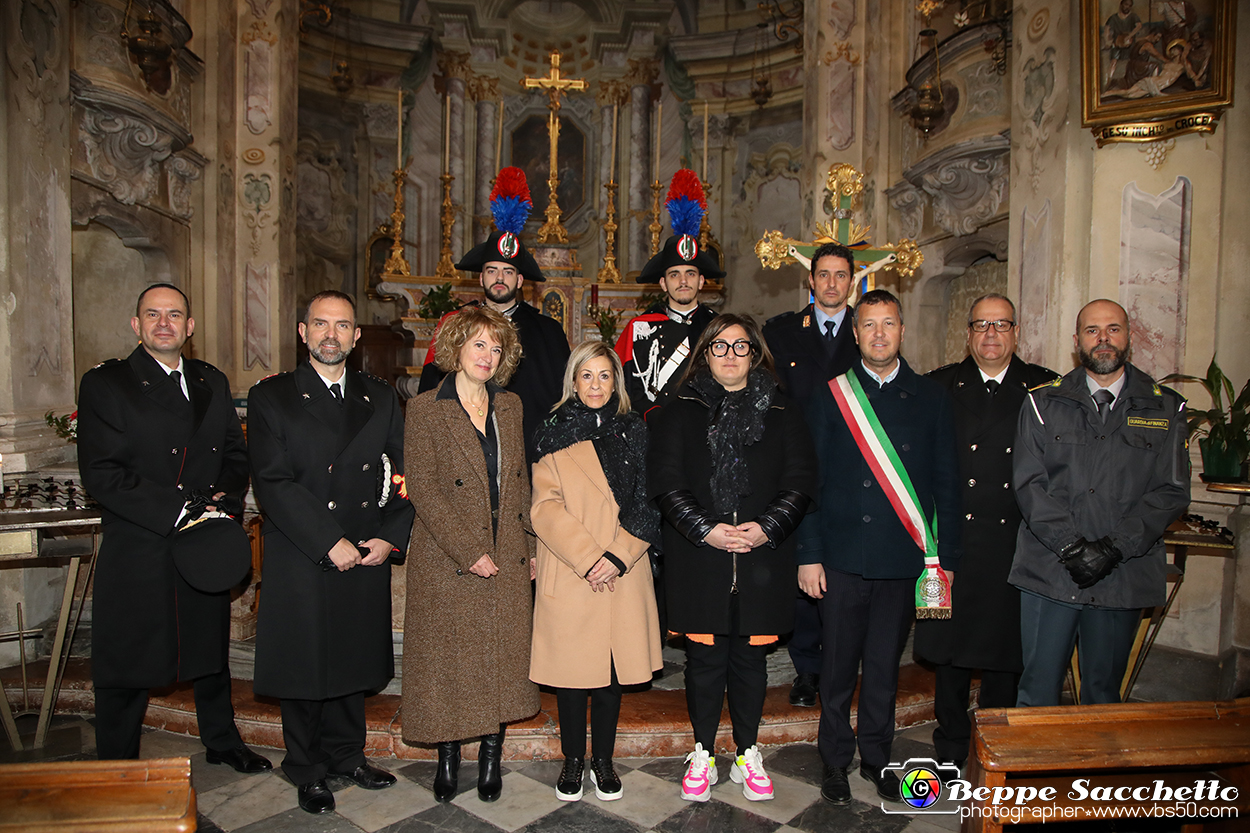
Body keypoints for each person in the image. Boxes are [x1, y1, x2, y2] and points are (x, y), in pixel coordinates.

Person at [78, 284, 269, 770]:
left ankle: (222, 741)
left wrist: (220, 507)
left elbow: (233, 454)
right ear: (136, 325)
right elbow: (102, 474)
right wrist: (180, 508)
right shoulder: (108, 384)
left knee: (209, 651)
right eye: (153, 314)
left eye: (175, 315)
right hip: (142, 541)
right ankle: (116, 764)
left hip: (201, 539)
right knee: (128, 660)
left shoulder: (211, 381)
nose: (164, 323)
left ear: (189, 327)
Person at [248, 290, 414, 814]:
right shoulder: (272, 396)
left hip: (366, 548)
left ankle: (347, 756)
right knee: (305, 664)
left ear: (356, 336)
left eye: (342, 326)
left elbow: (406, 475)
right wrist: (328, 541)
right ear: (303, 332)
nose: (331, 335)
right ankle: (306, 766)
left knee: (351, 659)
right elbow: (273, 483)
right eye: (320, 324)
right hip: (304, 548)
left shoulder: (381, 397)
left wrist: (390, 536)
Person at [795, 289, 961, 805]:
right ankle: (835, 761)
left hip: (903, 559)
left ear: (903, 331)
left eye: (888, 324)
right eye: (869, 325)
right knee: (839, 667)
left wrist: (945, 561)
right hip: (842, 557)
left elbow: (947, 484)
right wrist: (808, 554)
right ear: (855, 332)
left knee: (885, 668)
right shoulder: (830, 395)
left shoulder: (931, 397)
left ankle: (876, 757)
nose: (879, 334)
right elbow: (809, 483)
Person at [648, 314, 816, 804]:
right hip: (701, 559)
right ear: (704, 354)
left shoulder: (784, 409)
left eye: (740, 347)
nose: (729, 356)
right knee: (703, 664)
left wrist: (768, 527)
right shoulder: (677, 411)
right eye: (718, 347)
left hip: (763, 561)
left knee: (750, 664)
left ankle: (746, 752)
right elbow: (665, 481)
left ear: (755, 354)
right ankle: (702, 751)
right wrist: (706, 529)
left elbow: (801, 478)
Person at [1011, 299, 1189, 707]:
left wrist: (1113, 548)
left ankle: (1090, 774)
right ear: (1077, 342)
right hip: (1050, 573)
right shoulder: (1043, 403)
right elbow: (1029, 484)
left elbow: (1171, 491)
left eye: (1113, 329)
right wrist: (1071, 546)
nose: (1103, 339)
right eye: (1092, 331)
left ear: (1129, 336)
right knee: (1037, 692)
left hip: (1121, 576)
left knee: (1102, 696)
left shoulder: (1165, 406)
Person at [402, 305, 541, 804]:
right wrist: (469, 550)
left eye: (497, 347)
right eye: (479, 344)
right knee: (448, 662)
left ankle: (490, 756)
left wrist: (528, 547)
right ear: (457, 346)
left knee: (500, 661)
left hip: (506, 549)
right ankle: (446, 756)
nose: (488, 355)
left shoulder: (511, 406)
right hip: (447, 556)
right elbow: (423, 488)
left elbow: (519, 482)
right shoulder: (424, 408)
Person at [914, 294, 1058, 768]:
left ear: (1016, 332)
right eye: (981, 325)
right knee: (949, 651)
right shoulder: (938, 385)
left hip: (1016, 543)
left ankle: (996, 742)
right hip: (954, 542)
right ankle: (951, 742)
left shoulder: (1044, 388)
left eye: (1001, 325)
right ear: (969, 333)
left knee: (1005, 651)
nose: (991, 335)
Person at [529, 342, 663, 803]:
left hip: (623, 570)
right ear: (572, 380)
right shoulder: (552, 433)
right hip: (573, 569)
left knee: (609, 676)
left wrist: (619, 556)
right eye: (587, 375)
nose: (595, 385)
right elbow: (544, 506)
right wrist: (589, 558)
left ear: (617, 382)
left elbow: (651, 502)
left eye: (605, 375)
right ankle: (572, 761)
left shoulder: (636, 432)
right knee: (572, 677)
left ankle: (602, 761)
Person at [763, 241, 861, 709]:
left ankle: (839, 663)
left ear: (852, 282)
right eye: (823, 274)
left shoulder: (869, 333)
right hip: (798, 468)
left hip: (852, 469)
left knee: (841, 571)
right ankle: (806, 670)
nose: (831, 284)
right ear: (811, 280)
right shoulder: (781, 332)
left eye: (841, 275)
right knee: (803, 569)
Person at [418, 167, 570, 462]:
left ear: (520, 280)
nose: (499, 278)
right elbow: (429, 393)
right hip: (463, 457)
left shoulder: (548, 332)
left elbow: (563, 402)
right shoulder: (454, 325)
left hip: (530, 459)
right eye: (492, 270)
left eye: (508, 271)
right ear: (481, 278)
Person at [615, 170, 721, 418]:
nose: (683, 281)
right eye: (674, 274)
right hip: (653, 429)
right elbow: (622, 384)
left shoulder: (717, 327)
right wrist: (650, 415)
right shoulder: (639, 328)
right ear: (663, 283)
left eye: (690, 274)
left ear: (702, 281)